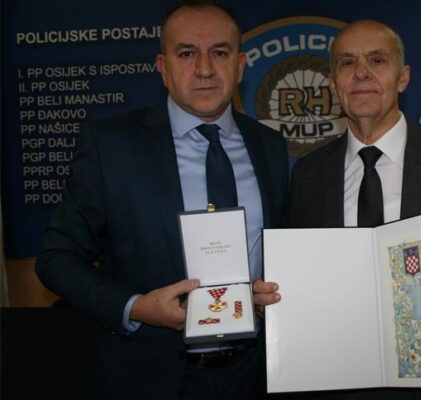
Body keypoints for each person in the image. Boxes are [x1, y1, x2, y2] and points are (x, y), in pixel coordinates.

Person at [35, 1, 288, 399]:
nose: (204, 69)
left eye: (219, 53)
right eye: (186, 53)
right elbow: (56, 259)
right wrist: (136, 307)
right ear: (162, 67)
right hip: (148, 375)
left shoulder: (269, 145)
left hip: (255, 373)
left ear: (240, 66)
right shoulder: (111, 146)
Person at [254, 20, 421, 400]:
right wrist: (273, 300)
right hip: (333, 381)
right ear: (333, 83)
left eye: (377, 60)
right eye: (347, 63)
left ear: (402, 78)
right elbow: (300, 278)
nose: (361, 73)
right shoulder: (308, 174)